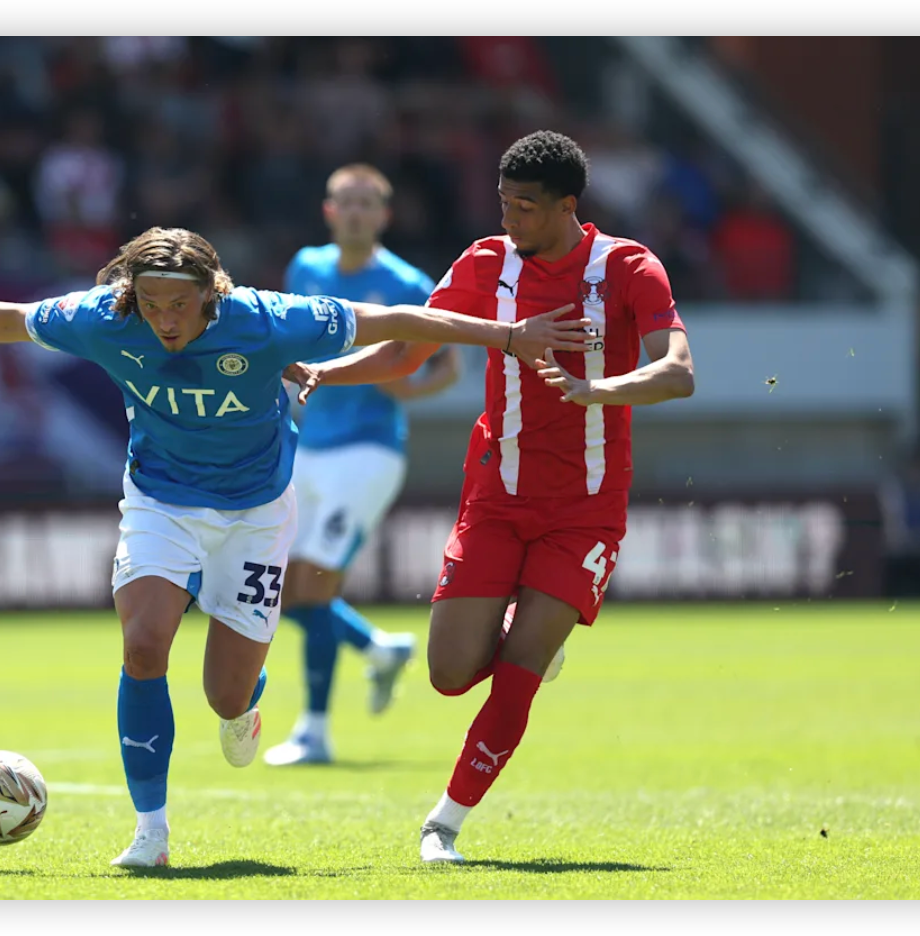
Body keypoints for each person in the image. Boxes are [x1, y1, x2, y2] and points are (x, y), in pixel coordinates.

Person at [0, 225, 588, 869]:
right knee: (145, 643)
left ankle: (245, 705)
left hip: (256, 513)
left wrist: (507, 335)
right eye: (151, 305)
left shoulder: (269, 318)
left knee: (224, 696)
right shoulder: (105, 317)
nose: (164, 321)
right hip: (159, 501)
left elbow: (399, 321)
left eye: (178, 305)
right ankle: (151, 835)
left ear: (210, 293)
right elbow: (6, 317)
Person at [290, 131, 697, 863]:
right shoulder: (486, 261)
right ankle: (527, 641)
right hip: (496, 497)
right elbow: (411, 346)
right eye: (503, 203)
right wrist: (329, 372)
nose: (509, 219)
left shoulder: (628, 267)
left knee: (517, 678)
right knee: (449, 674)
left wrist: (597, 388)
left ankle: (442, 825)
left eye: (525, 207)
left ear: (568, 206)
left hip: (587, 507)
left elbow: (678, 372)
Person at [266, 164, 462, 768]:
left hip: (367, 452)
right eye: (344, 203)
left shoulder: (407, 280)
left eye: (365, 204)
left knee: (315, 586)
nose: (354, 213)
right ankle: (377, 648)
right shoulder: (306, 266)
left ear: (384, 216)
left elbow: (447, 367)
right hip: (307, 445)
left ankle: (315, 731)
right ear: (328, 212)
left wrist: (407, 392)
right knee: (288, 596)